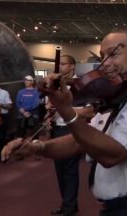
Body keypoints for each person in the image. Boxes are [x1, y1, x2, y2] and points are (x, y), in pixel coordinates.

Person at [2, 29, 127, 216]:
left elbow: (113, 155)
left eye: (113, 54)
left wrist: (66, 110)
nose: (105, 64)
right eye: (102, 56)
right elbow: (80, 141)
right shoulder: (118, 95)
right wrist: (38, 147)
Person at [45, 54, 82, 216]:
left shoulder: (79, 84)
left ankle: (70, 206)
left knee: (70, 169)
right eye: (59, 65)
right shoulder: (56, 84)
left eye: (64, 64)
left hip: (71, 129)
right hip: (58, 128)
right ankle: (67, 203)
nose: (60, 67)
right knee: (59, 169)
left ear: (72, 67)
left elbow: (84, 109)